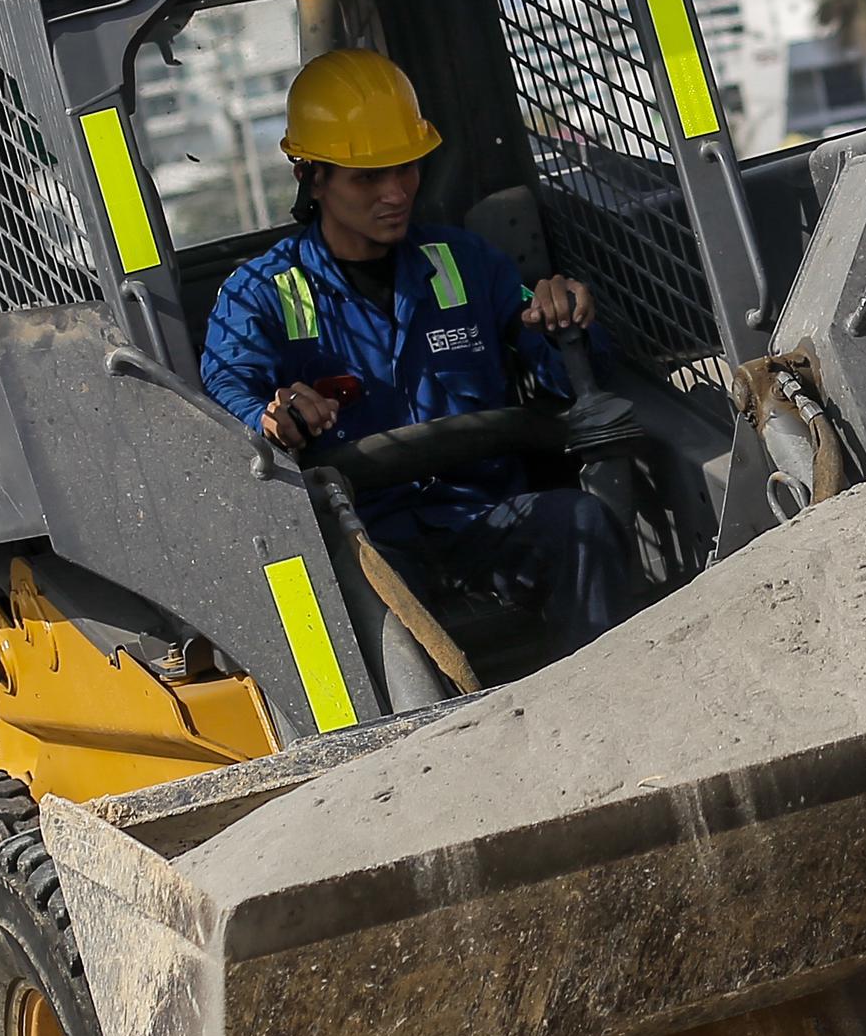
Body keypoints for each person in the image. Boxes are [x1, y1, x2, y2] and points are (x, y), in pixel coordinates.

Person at [199, 47, 637, 670]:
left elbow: (568, 375)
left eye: (406, 169)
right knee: (351, 610)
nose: (396, 191)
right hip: (364, 539)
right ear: (311, 177)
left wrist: (564, 323)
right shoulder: (261, 294)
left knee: (583, 524)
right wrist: (271, 418)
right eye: (368, 177)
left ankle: (607, 707)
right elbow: (225, 394)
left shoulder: (466, 262)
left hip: (481, 516)